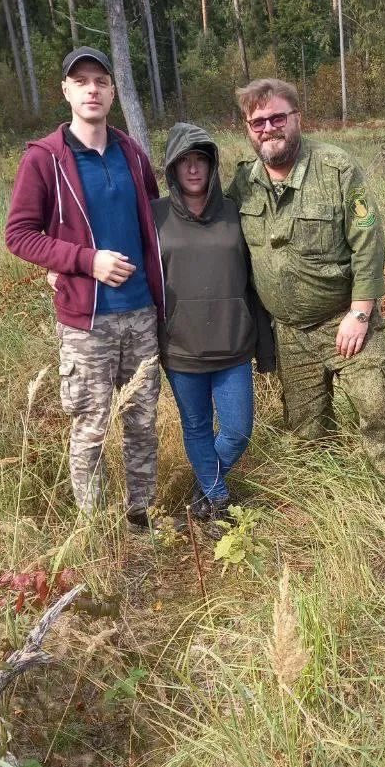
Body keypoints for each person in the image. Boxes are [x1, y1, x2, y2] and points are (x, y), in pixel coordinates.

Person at [226, 78, 385, 513]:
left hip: (344, 322)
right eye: (257, 121)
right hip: (287, 332)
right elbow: (209, 227)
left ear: (296, 118)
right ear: (248, 128)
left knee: (382, 412)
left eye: (277, 117)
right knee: (304, 431)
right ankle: (325, 514)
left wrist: (360, 313)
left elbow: (368, 241)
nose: (268, 128)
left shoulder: (336, 169)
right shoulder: (244, 182)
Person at [4, 46, 164, 528]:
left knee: (141, 424)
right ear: (66, 92)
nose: (92, 89)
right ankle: (93, 528)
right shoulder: (45, 158)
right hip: (86, 320)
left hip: (141, 314)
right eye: (82, 81)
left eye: (101, 81)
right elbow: (19, 234)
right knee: (91, 427)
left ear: (112, 92)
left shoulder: (132, 153)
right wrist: (83, 261)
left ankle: (141, 517)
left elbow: (155, 221)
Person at [153, 123, 274, 529]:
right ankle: (217, 499)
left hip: (233, 345)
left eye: (200, 160)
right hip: (181, 348)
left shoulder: (235, 212)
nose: (192, 169)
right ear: (171, 168)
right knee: (197, 427)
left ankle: (205, 486)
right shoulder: (154, 217)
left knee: (238, 430)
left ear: (211, 165)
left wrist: (265, 345)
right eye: (183, 161)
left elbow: (256, 280)